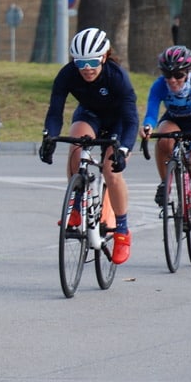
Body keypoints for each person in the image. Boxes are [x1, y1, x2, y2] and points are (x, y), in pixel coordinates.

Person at [39, 27, 138, 265]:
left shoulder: (117, 77)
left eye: (93, 61)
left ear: (104, 57)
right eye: (81, 62)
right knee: (75, 144)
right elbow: (55, 111)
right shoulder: (67, 75)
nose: (87, 68)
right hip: (90, 114)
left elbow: (131, 118)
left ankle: (122, 231)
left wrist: (124, 149)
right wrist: (49, 137)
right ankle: (76, 205)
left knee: (111, 172)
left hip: (118, 122)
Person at [140, 45, 191, 251]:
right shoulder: (159, 85)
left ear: (188, 72)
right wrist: (147, 126)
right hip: (174, 122)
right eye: (168, 74)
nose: (173, 80)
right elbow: (151, 113)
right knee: (164, 137)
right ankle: (164, 182)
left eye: (178, 75)